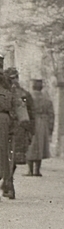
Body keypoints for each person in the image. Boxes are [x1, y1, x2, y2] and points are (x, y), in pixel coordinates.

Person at [0, 64, 24, 199]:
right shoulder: (11, 93)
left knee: (9, 158)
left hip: (12, 128)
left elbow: (24, 112)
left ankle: (8, 184)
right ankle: (8, 184)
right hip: (9, 126)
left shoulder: (17, 93)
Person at [25, 79, 53, 177]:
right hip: (42, 123)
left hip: (31, 121)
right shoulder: (46, 98)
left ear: (33, 86)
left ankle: (30, 170)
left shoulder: (28, 97)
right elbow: (51, 113)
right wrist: (50, 127)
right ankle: (37, 170)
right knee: (40, 146)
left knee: (30, 145)